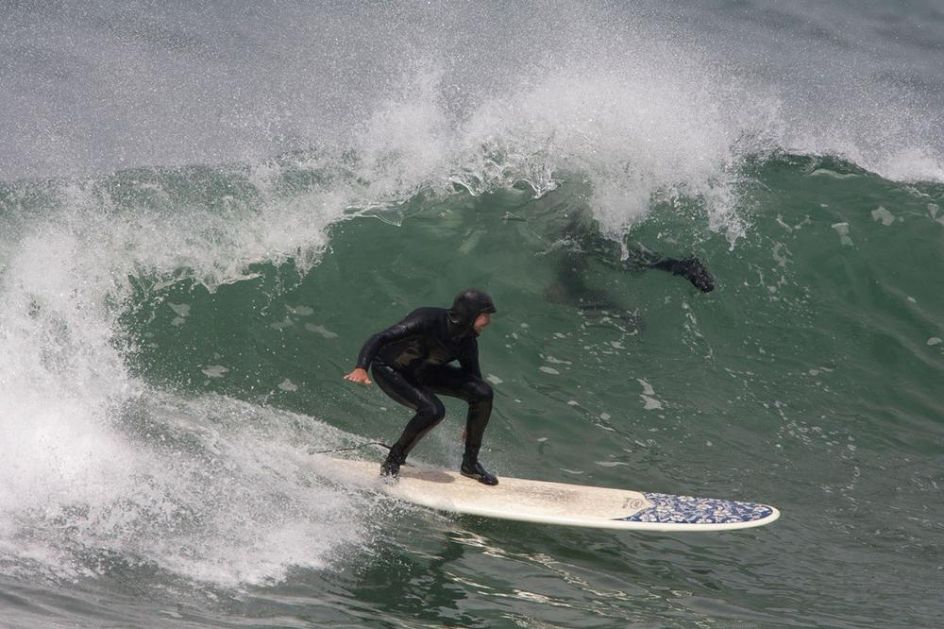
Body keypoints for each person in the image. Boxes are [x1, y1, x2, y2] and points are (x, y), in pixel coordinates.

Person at [344, 289, 499, 485]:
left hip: (424, 371)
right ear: (470, 313)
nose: (488, 321)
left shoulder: (467, 342)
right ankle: (393, 460)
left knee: (484, 393)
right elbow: (380, 337)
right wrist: (361, 368)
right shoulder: (427, 318)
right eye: (485, 315)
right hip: (390, 369)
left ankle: (470, 464)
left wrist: (473, 423)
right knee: (433, 411)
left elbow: (474, 382)